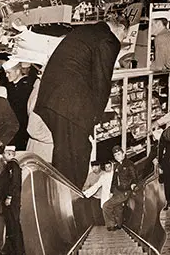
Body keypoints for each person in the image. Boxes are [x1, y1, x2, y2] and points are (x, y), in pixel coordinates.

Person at [34, 13, 129, 189]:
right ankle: (68, 202)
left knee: (67, 153)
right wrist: (95, 119)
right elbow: (102, 81)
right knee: (75, 156)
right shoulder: (109, 39)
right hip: (70, 104)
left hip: (53, 99)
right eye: (124, 35)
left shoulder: (88, 30)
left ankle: (61, 197)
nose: (122, 40)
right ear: (121, 28)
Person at [0, 146, 25, 255]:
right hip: (9, 201)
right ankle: (11, 249)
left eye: (4, 153)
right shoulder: (10, 166)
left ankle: (18, 250)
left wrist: (9, 197)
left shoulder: (13, 165)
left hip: (11, 201)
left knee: (14, 224)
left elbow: (14, 183)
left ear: (9, 153)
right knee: (10, 225)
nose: (3, 156)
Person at [102, 146, 137, 230]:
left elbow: (134, 177)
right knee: (118, 208)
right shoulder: (117, 165)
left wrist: (133, 184)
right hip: (117, 190)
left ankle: (111, 225)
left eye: (119, 154)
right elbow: (114, 179)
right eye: (115, 155)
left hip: (125, 191)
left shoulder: (129, 164)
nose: (117, 156)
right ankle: (119, 225)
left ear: (123, 153)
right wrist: (111, 191)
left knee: (106, 206)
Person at [3, 58, 34, 150]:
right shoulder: (12, 86)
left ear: (17, 71)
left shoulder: (26, 86)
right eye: (5, 73)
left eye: (9, 72)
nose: (6, 75)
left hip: (22, 128)